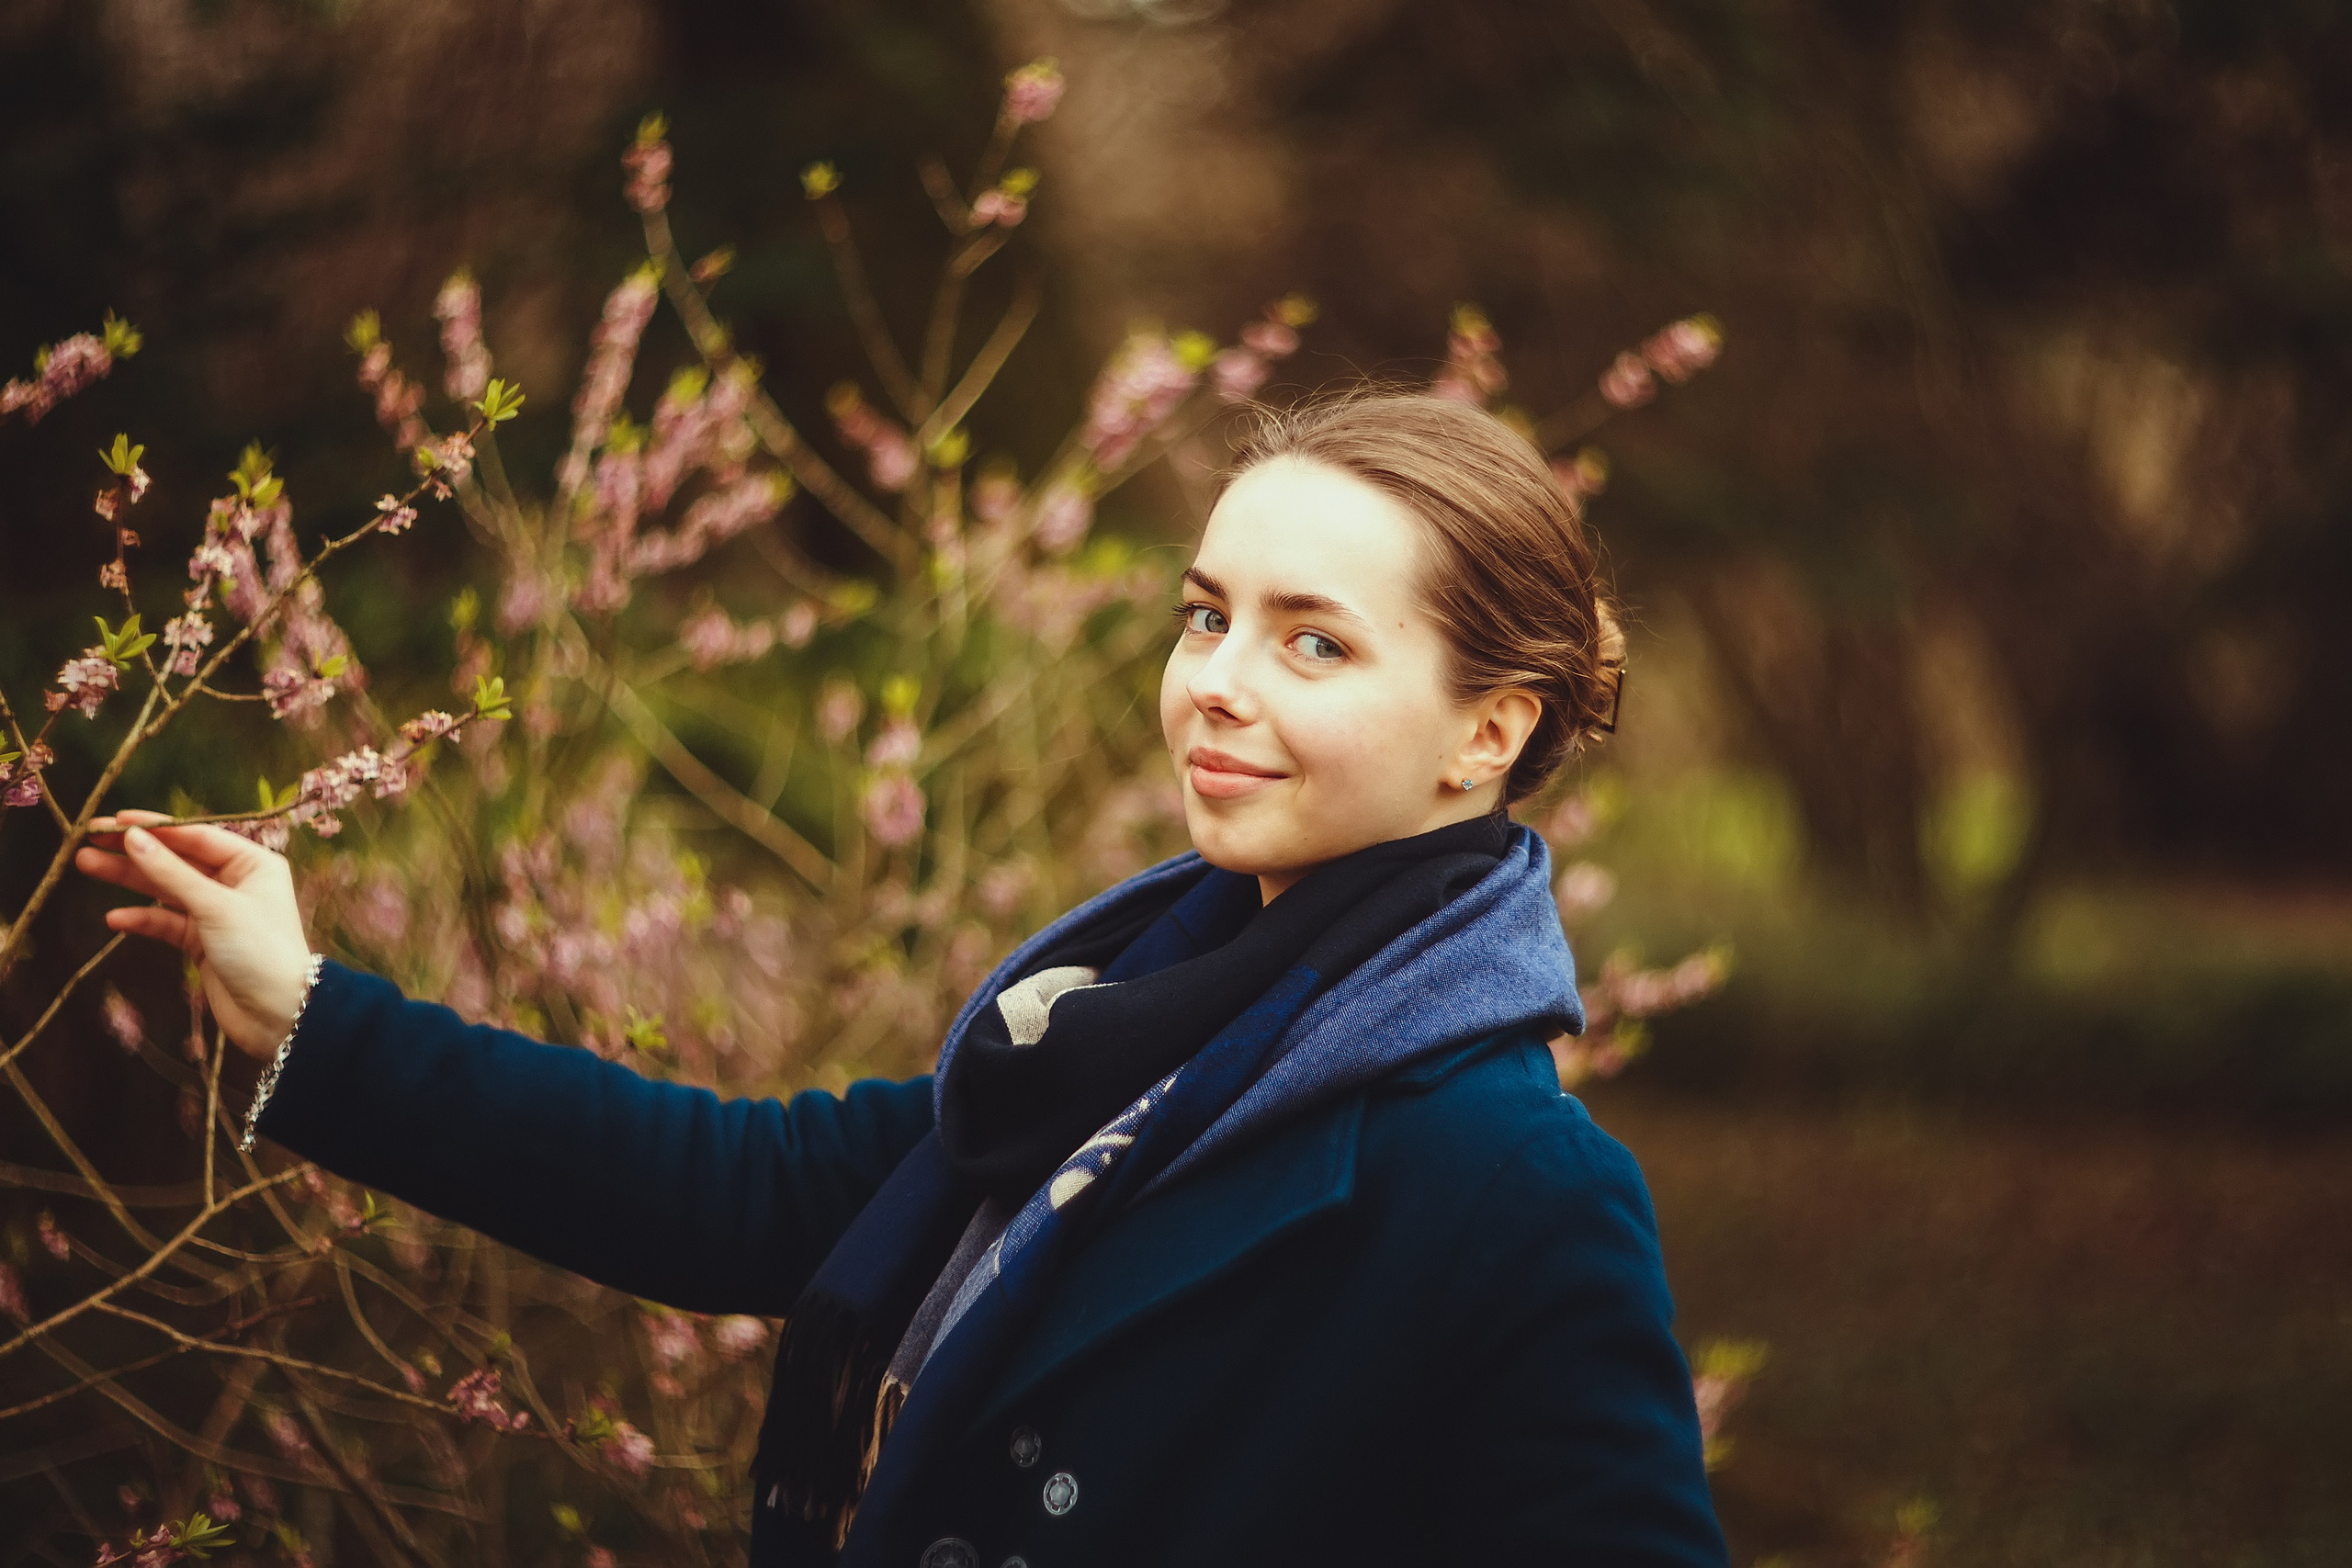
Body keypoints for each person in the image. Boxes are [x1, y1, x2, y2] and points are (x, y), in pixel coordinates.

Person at [79, 392, 1728, 1567]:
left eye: (1313, 642)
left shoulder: (1514, 1188)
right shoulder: (1120, 1025)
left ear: (1489, 732)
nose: (1215, 686)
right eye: (1205, 616)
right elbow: (748, 1193)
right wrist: (312, 1013)